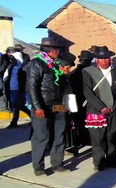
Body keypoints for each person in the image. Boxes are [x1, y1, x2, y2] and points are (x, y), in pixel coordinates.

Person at [25, 37, 70, 175]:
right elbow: (32, 87)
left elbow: (61, 85)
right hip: (43, 105)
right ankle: (38, 167)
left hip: (58, 104)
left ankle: (57, 163)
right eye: (58, 50)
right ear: (52, 50)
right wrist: (37, 107)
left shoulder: (57, 64)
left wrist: (64, 75)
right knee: (41, 136)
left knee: (59, 134)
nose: (59, 52)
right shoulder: (36, 64)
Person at [82, 46, 116, 171]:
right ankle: (99, 162)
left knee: (112, 137)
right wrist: (101, 107)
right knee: (98, 138)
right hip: (96, 111)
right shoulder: (88, 72)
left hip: (114, 110)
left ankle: (112, 160)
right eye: (101, 59)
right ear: (96, 60)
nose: (104, 61)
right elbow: (88, 92)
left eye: (107, 58)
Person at [3, 47, 30, 128]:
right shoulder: (14, 65)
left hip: (16, 88)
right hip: (13, 87)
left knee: (16, 105)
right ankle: (31, 116)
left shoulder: (20, 66)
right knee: (17, 105)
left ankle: (14, 122)